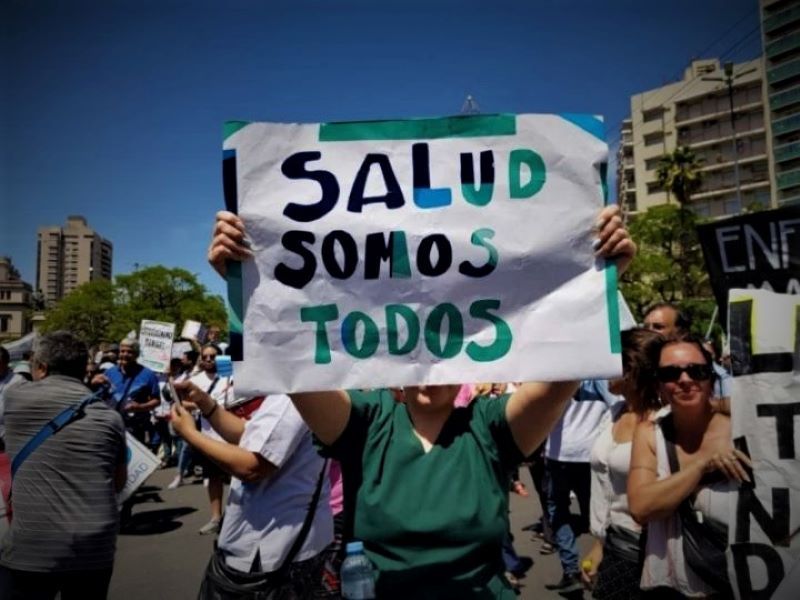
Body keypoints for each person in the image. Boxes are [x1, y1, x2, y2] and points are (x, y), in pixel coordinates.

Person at [208, 204, 636, 598]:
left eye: (446, 352)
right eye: (419, 353)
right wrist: (247, 284)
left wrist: (600, 280)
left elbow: (563, 374)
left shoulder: (489, 426)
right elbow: (291, 365)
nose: (433, 368)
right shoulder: (367, 422)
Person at [171, 382, 333, 598]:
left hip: (271, 547)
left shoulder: (292, 394)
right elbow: (252, 437)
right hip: (277, 541)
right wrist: (207, 404)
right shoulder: (289, 390)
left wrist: (190, 433)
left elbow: (252, 467)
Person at [0, 331, 127, 600]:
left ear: (42, 368)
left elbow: (16, 375)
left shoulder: (14, 400)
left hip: (32, 548)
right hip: (95, 548)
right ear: (84, 368)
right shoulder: (111, 418)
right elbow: (118, 483)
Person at [627, 332, 751, 598]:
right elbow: (640, 507)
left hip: (745, 582)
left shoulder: (746, 428)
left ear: (712, 376)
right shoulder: (651, 432)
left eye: (697, 370)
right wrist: (700, 467)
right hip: (676, 587)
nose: (685, 380)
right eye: (671, 374)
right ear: (659, 384)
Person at [580, 328, 663, 598]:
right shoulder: (614, 413)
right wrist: (599, 544)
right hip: (614, 546)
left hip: (652, 552)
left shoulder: (664, 421)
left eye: (610, 362)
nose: (603, 371)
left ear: (630, 369)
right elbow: (607, 488)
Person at [543, 378, 623, 593]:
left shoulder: (554, 374)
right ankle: (595, 566)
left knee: (559, 511)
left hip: (560, 452)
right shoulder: (599, 375)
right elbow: (618, 404)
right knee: (596, 513)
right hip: (588, 453)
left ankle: (573, 570)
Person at [188, 343, 234, 534]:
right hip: (208, 438)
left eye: (212, 356)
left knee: (237, 479)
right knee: (213, 478)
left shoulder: (230, 377)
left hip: (231, 437)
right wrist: (203, 405)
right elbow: (184, 402)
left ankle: (235, 517)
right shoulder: (195, 380)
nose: (208, 360)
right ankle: (216, 517)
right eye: (205, 356)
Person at [642, 302, 730, 400]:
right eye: (645, 327)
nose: (648, 332)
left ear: (680, 331)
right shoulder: (641, 374)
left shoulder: (719, 379)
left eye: (658, 327)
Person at [94, 339, 160, 444]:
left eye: (130, 352)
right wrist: (93, 384)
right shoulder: (110, 372)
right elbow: (99, 396)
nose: (125, 354)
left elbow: (156, 400)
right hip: (109, 426)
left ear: (137, 355)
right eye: (122, 351)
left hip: (133, 430)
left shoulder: (148, 375)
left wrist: (140, 407)